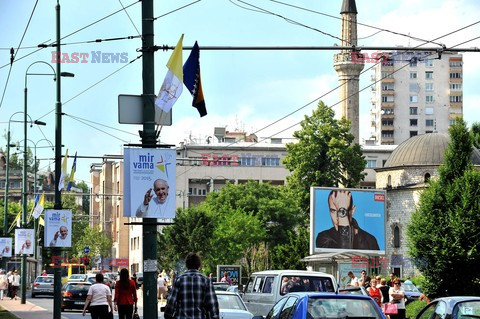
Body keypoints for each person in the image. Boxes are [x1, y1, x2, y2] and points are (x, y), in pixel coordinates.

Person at [315, 190, 380, 250]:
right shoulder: (324, 237)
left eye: (343, 211)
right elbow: (344, 258)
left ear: (352, 211)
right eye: (333, 211)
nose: (338, 217)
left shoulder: (370, 240)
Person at [164, 252, 219, 319]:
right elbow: (212, 305)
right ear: (199, 265)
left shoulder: (179, 280)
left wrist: (167, 315)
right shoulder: (206, 281)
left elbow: (171, 302)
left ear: (187, 265)